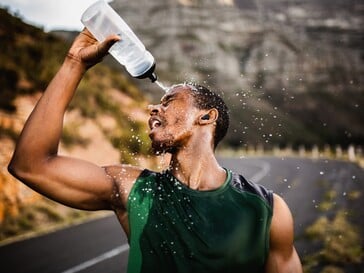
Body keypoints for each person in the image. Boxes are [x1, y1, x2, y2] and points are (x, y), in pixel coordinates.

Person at [8, 28, 302, 273]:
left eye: (169, 100)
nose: (153, 108)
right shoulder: (134, 189)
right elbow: (31, 165)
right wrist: (74, 63)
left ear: (206, 117)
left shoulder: (268, 210)